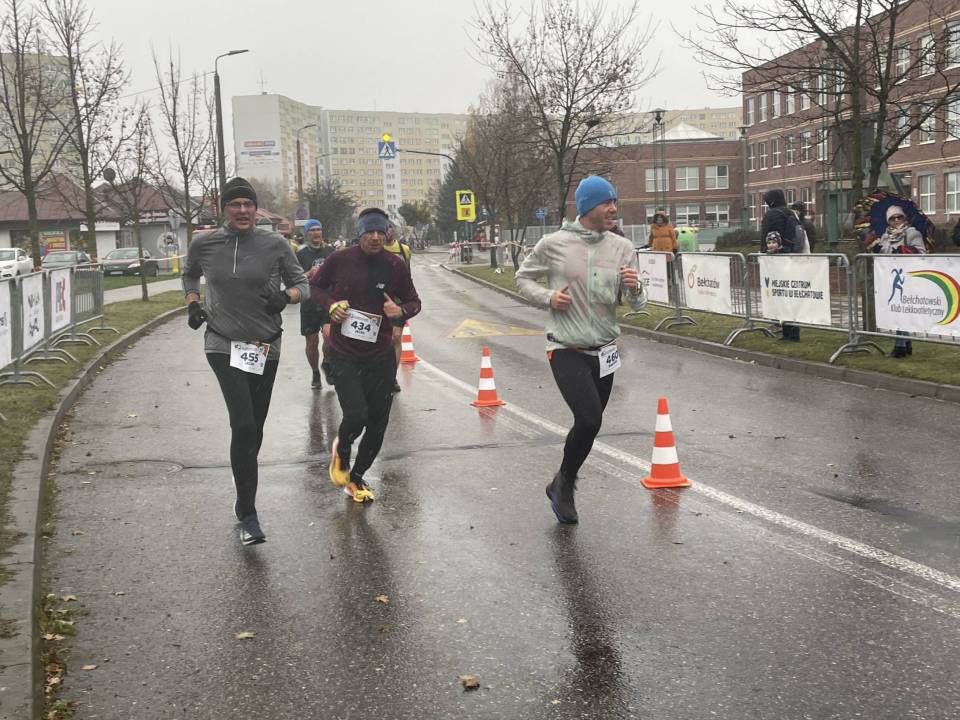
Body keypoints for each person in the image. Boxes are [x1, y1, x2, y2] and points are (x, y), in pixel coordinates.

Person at [182, 177, 309, 545]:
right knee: (242, 423)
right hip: (222, 343)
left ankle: (243, 488)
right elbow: (189, 273)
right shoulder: (204, 243)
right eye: (235, 204)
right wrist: (193, 303)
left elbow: (303, 284)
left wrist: (286, 296)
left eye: (247, 205)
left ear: (255, 210)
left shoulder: (275, 244)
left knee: (255, 427)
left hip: (265, 344)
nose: (242, 210)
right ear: (224, 209)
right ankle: (249, 515)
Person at [516, 176, 646, 524]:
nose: (613, 209)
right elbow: (522, 278)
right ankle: (567, 487)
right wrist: (548, 297)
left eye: (615, 202)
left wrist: (635, 289)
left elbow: (637, 304)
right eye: (607, 203)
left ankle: (560, 480)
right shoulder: (554, 244)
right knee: (589, 418)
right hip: (565, 346)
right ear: (588, 206)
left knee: (588, 425)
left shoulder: (622, 248)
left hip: (604, 351)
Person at [311, 208, 421, 502]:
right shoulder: (340, 259)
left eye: (380, 232)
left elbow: (414, 302)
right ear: (359, 234)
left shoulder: (395, 265)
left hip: (380, 354)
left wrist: (400, 311)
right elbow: (315, 287)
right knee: (356, 414)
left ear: (387, 234)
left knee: (378, 422)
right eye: (369, 232)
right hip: (344, 353)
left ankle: (357, 477)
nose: (375, 237)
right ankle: (343, 448)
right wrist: (330, 305)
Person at [873, 204, 927, 358]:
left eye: (899, 217)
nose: (896, 220)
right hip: (891, 278)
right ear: (888, 221)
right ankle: (906, 342)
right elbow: (883, 254)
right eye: (892, 218)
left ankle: (900, 347)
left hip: (908, 278)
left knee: (901, 311)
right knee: (897, 310)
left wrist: (906, 251)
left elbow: (921, 253)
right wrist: (877, 250)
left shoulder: (912, 233)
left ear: (904, 218)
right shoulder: (885, 236)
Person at [296, 219, 335, 388]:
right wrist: (308, 273)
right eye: (312, 230)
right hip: (309, 302)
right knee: (312, 342)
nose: (316, 232)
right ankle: (315, 373)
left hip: (328, 301)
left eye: (318, 229)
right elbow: (293, 279)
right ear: (306, 234)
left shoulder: (331, 252)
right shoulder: (300, 255)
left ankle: (326, 362)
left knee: (329, 336)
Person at [761, 189, 803, 341]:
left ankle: (786, 331)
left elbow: (766, 236)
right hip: (791, 259)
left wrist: (765, 251)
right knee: (790, 296)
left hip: (776, 261)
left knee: (780, 296)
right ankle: (793, 332)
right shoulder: (790, 213)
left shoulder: (772, 214)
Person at [383, 221, 412, 393]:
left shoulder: (404, 249)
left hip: (398, 300)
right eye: (385, 228)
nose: (388, 231)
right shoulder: (376, 249)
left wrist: (408, 299)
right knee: (382, 338)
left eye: (390, 228)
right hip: (379, 298)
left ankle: (392, 377)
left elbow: (408, 274)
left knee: (396, 337)